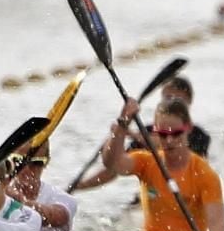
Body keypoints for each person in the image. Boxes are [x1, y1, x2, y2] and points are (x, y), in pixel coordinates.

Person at [102, 97, 224, 231]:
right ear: (155, 132)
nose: (169, 141)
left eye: (176, 134)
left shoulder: (204, 173)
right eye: (163, 134)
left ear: (188, 128)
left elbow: (218, 225)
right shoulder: (146, 162)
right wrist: (122, 125)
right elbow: (112, 163)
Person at [73, 75, 211, 192]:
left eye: (177, 99)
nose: (172, 103)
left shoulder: (198, 135)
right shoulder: (147, 131)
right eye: (168, 97)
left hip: (186, 196)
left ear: (189, 101)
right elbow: (114, 168)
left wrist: (132, 134)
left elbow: (164, 146)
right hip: (151, 197)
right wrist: (79, 186)